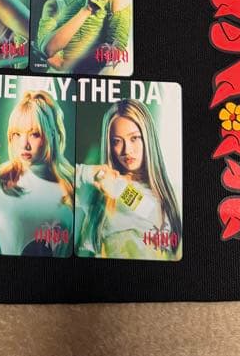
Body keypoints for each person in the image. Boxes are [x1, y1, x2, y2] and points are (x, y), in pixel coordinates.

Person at [0, 90, 74, 256]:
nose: (24, 144)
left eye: (34, 134)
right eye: (17, 134)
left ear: (51, 134)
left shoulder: (73, 183)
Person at [75, 99, 182, 260]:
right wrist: (88, 172)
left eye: (134, 138)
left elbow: (147, 209)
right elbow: (57, 176)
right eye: (117, 141)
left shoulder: (171, 194)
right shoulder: (96, 188)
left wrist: (116, 185)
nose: (127, 150)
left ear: (147, 137)